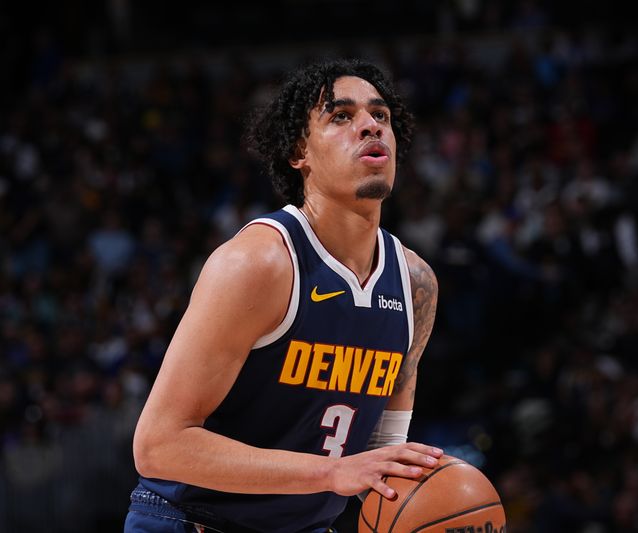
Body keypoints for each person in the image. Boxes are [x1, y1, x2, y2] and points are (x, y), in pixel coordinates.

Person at [124, 59, 442, 533]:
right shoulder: (259, 264)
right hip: (192, 521)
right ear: (299, 153)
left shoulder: (416, 282)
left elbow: (383, 452)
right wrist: (332, 473)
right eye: (341, 116)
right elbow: (158, 446)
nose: (370, 126)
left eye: (381, 116)